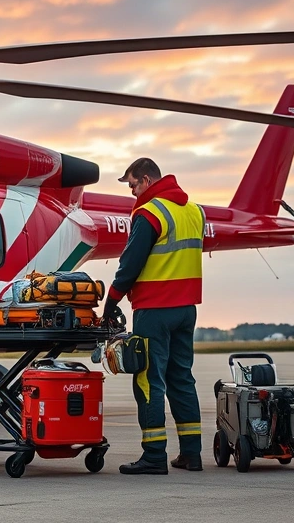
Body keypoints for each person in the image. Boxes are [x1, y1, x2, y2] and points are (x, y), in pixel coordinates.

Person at [101, 158, 205, 475]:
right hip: (186, 309)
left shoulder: (150, 212)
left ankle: (154, 456)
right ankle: (191, 454)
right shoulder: (194, 211)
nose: (132, 192)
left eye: (132, 185)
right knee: (182, 378)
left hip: (154, 309)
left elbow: (131, 262)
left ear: (146, 180)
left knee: (148, 380)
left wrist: (112, 299)